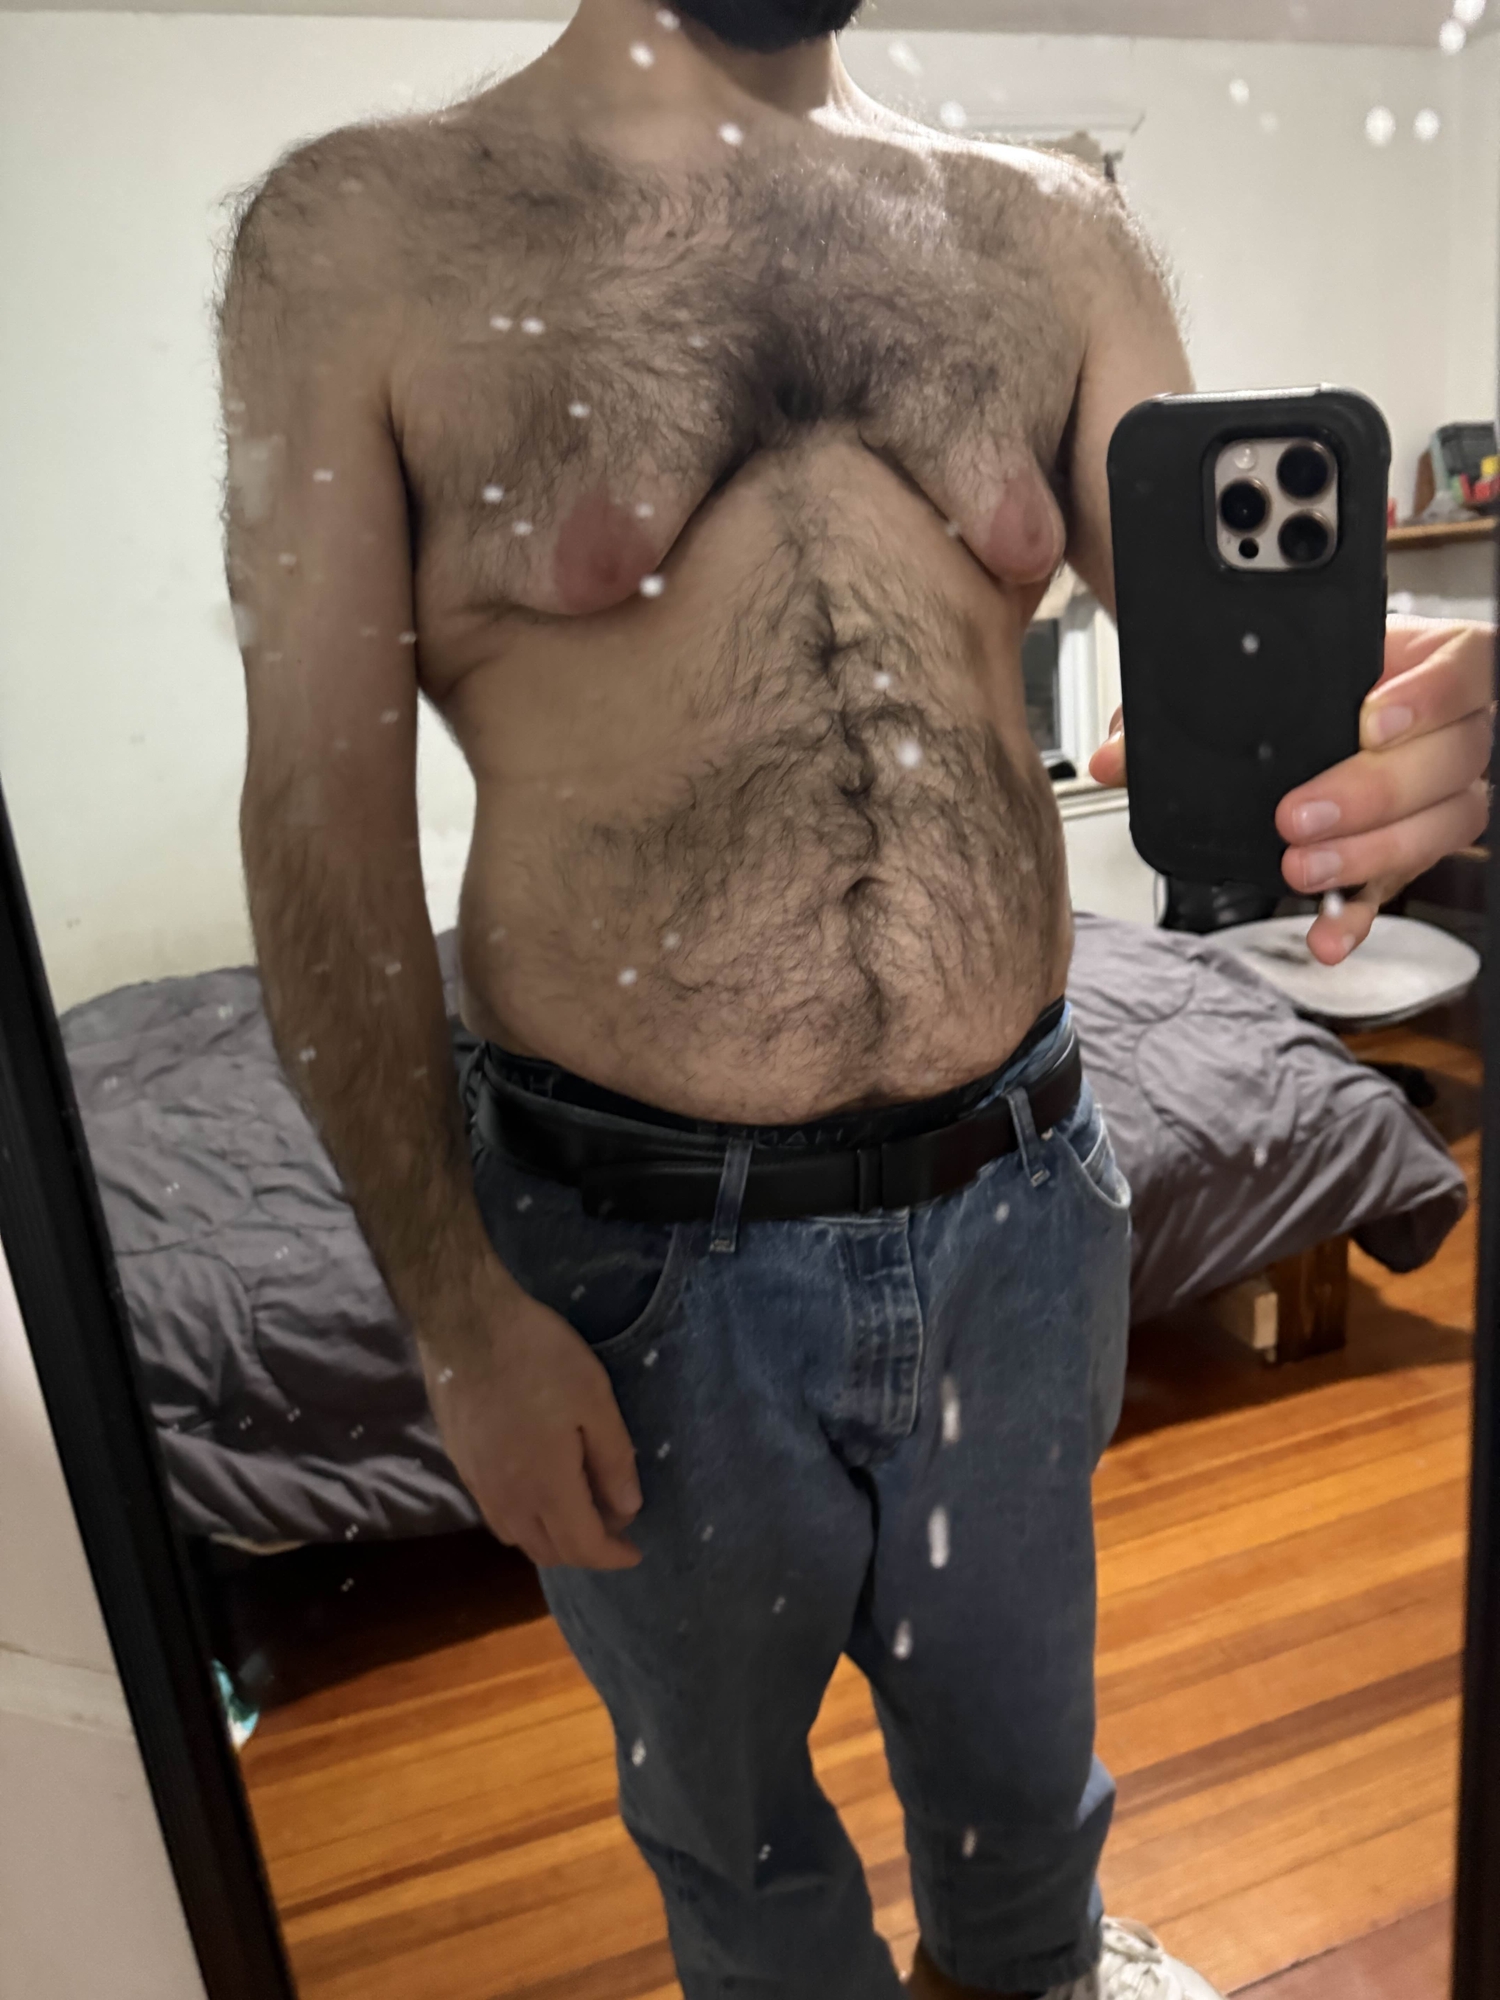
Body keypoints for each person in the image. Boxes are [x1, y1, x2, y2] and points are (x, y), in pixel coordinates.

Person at [218, 2, 1493, 1994]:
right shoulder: (363, 241)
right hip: (636, 1258)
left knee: (1025, 1779)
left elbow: (1235, 649)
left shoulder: (1052, 233)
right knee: (735, 1839)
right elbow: (319, 819)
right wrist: (458, 1320)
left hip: (1022, 1203)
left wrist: (1407, 722)